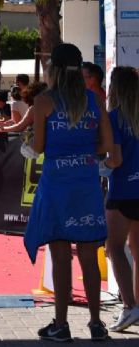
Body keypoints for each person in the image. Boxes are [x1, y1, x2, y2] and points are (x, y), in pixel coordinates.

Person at [24, 43, 113, 342]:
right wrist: (84, 151)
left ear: (54, 70)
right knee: (90, 254)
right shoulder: (94, 100)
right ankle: (96, 323)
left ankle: (61, 324)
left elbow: (38, 147)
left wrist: (31, 147)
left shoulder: (44, 101)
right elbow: (105, 146)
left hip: (56, 185)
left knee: (61, 256)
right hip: (86, 184)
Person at [102, 66, 139, 331]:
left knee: (114, 247)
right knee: (137, 250)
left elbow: (115, 159)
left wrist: (101, 163)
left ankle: (129, 306)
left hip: (123, 190)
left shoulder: (114, 118)